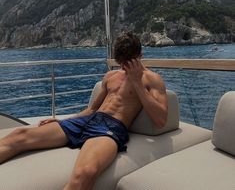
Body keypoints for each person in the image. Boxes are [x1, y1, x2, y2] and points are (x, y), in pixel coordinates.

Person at [0, 32, 168, 190]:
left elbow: (160, 120)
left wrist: (137, 82)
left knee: (86, 172)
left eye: (128, 63)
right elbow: (92, 109)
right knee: (19, 135)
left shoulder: (152, 79)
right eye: (121, 63)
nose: (124, 68)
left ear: (140, 56)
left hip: (110, 128)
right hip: (89, 119)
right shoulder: (110, 76)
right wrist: (62, 121)